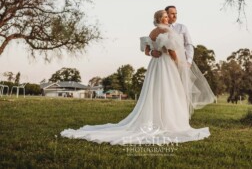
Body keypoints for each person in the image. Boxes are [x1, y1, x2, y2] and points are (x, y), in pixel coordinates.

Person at [61, 10, 215, 145]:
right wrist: (179, 63)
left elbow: (147, 51)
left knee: (155, 91)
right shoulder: (167, 32)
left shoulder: (152, 32)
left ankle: (156, 117)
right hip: (166, 65)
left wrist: (153, 53)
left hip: (155, 65)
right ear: (161, 19)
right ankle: (169, 121)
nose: (168, 19)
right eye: (166, 17)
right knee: (170, 91)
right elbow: (171, 51)